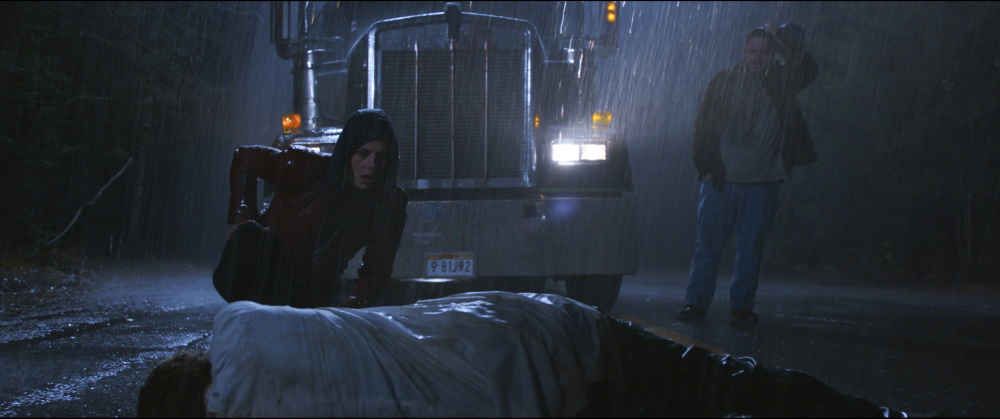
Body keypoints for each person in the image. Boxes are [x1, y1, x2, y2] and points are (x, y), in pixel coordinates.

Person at [135, 292, 915, 418]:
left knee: (699, 396)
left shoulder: (258, 401)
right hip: (526, 320)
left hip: (534, 379)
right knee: (713, 381)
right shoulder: (243, 326)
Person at [677, 22, 819, 325]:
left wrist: (781, 39)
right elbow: (703, 126)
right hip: (720, 180)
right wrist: (706, 167)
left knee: (751, 249)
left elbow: (808, 68)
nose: (757, 57)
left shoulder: (781, 81)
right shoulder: (724, 81)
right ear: (744, 52)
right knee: (707, 247)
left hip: (763, 180)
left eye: (764, 52)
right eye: (753, 51)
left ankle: (741, 307)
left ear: (772, 54)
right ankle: (695, 304)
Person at [212, 108, 408, 309]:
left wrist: (355, 299)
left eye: (381, 157)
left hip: (316, 288)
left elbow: (377, 269)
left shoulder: (390, 202)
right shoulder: (307, 167)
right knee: (248, 236)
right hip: (271, 269)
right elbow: (244, 157)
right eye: (362, 154)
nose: (371, 165)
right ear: (348, 153)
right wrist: (244, 218)